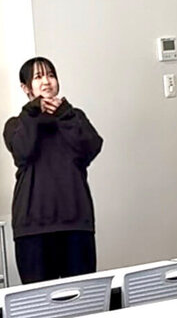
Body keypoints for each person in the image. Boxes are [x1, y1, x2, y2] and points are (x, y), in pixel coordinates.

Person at [3, 57, 103, 283]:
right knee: (38, 300)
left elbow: (90, 148)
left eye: (51, 75)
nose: (47, 81)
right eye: (38, 77)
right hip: (32, 228)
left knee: (83, 296)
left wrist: (64, 114)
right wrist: (31, 113)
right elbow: (23, 151)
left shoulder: (74, 117)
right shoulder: (16, 124)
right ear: (26, 88)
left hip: (76, 223)